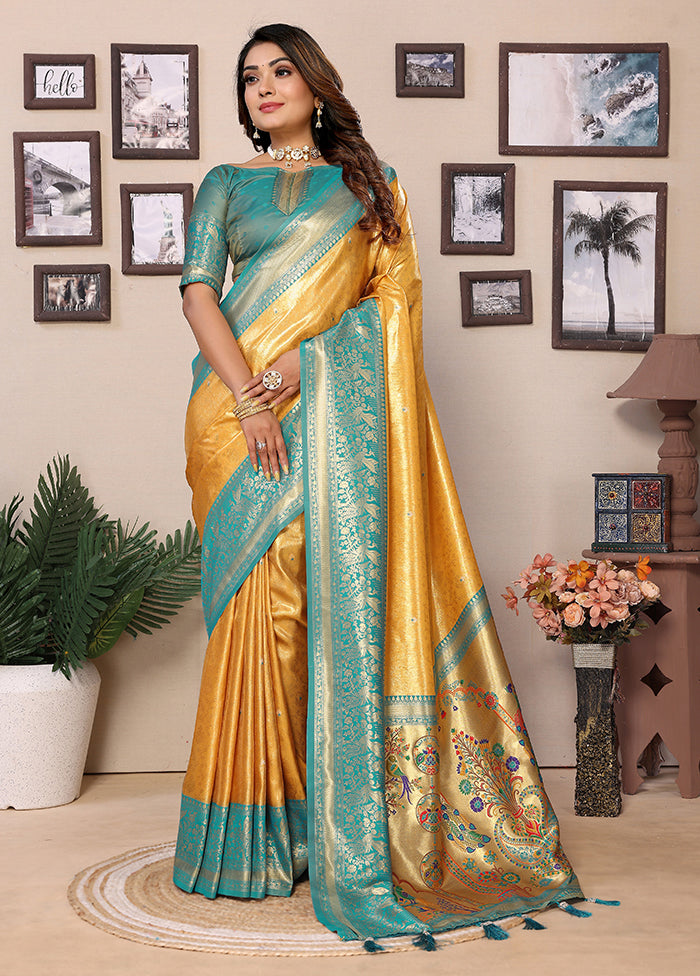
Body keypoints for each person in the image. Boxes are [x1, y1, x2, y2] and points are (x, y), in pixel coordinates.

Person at [174, 23, 583, 946]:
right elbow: (199, 292)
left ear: (317, 86)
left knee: (321, 609)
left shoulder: (371, 186)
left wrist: (305, 370)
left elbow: (393, 315)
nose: (264, 87)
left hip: (327, 417)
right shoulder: (224, 183)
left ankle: (328, 822)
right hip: (233, 420)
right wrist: (249, 399)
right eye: (249, 77)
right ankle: (250, 837)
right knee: (258, 614)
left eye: (281, 71)